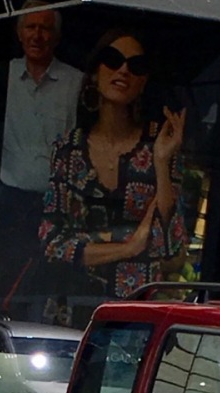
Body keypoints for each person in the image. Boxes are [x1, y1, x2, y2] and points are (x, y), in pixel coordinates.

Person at [39, 29, 189, 308]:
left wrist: (160, 161)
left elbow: (170, 244)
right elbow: (52, 242)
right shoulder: (68, 149)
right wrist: (130, 246)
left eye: (136, 65)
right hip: (72, 303)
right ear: (95, 73)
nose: (123, 70)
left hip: (137, 308)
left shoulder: (159, 144)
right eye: (113, 60)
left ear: (143, 81)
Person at [0, 2, 81, 315]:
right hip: (9, 194)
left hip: (54, 199)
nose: (37, 35)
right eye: (30, 27)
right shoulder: (2, 76)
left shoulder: (76, 83)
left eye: (45, 28)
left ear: (56, 37)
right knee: (4, 270)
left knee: (44, 274)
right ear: (19, 34)